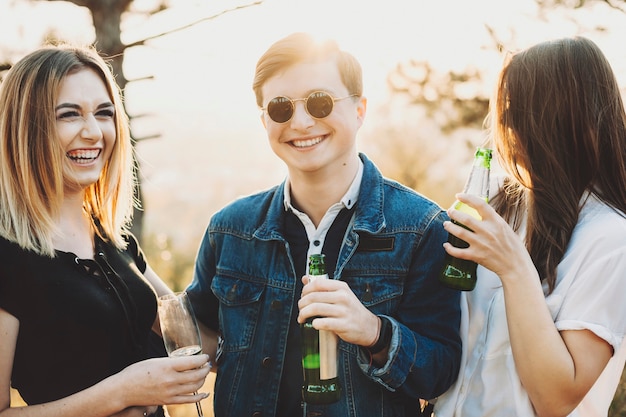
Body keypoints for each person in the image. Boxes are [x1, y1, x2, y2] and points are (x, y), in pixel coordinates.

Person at [186, 32, 462, 417]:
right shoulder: (229, 230)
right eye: (281, 108)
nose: (300, 122)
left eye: (320, 102)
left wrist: (373, 331)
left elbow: (442, 371)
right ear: (265, 120)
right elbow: (198, 336)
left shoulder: (421, 228)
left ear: (360, 109)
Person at [0, 44, 210, 417]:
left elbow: (196, 336)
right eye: (69, 115)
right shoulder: (6, 254)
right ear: (25, 126)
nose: (93, 132)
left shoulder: (113, 238)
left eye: (104, 113)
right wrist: (123, 391)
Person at [434, 36, 626, 417]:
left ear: (564, 119)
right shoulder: (500, 205)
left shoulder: (610, 239)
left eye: (519, 112)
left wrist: (513, 266)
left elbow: (557, 399)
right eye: (505, 111)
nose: (506, 126)